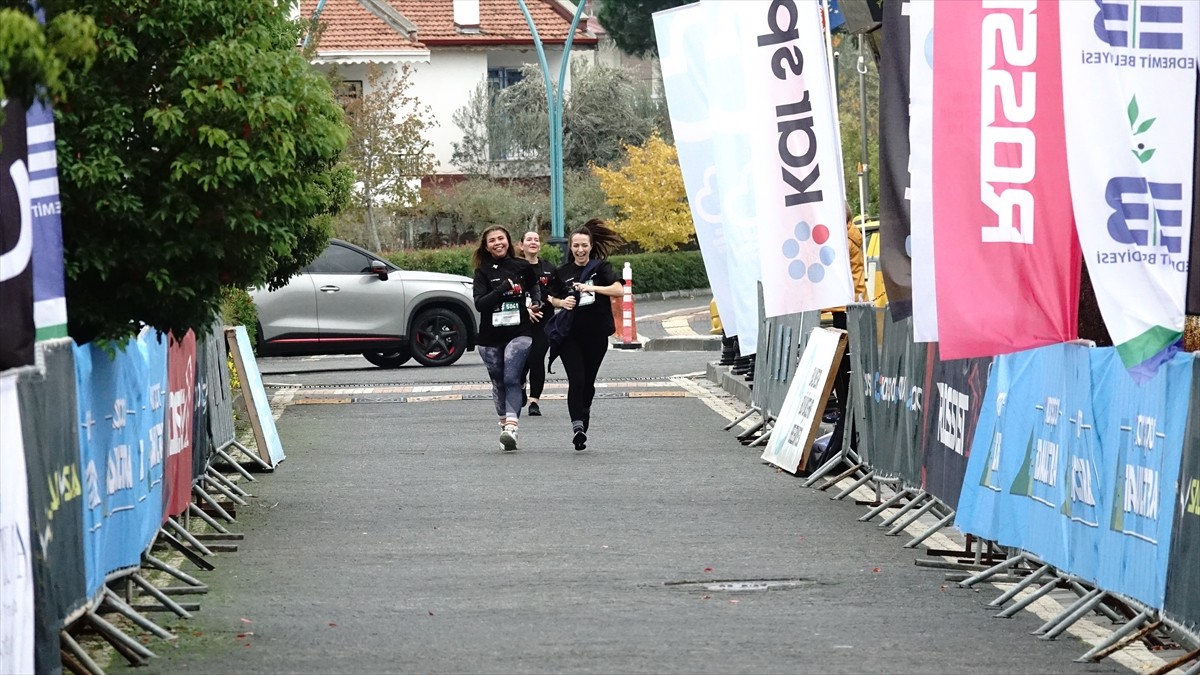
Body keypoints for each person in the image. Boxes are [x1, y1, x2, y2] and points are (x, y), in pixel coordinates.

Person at [545, 219, 624, 450]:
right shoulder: (563, 272)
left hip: (596, 334)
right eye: (576, 246)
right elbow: (549, 297)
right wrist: (562, 301)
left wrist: (592, 288)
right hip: (569, 334)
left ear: (591, 246)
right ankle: (577, 426)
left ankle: (585, 409)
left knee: (588, 383)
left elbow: (618, 290)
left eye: (584, 246)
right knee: (576, 380)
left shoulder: (601, 268)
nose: (580, 250)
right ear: (570, 247)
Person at [472, 226, 542, 451]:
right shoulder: (482, 272)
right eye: (492, 240)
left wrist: (536, 302)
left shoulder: (522, 265)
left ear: (508, 241)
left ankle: (512, 427)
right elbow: (480, 304)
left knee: (512, 378)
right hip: (490, 337)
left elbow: (534, 284)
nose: (497, 243)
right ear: (486, 246)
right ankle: (504, 427)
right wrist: (502, 289)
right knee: (499, 381)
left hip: (519, 332)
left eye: (501, 238)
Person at [517, 230, 556, 417]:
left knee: (537, 357)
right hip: (521, 322)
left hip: (544, 321)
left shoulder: (549, 268)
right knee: (522, 359)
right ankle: (521, 385)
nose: (533, 242)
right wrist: (526, 310)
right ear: (521, 245)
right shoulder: (514, 268)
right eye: (529, 239)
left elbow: (557, 293)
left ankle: (534, 401)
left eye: (536, 240)